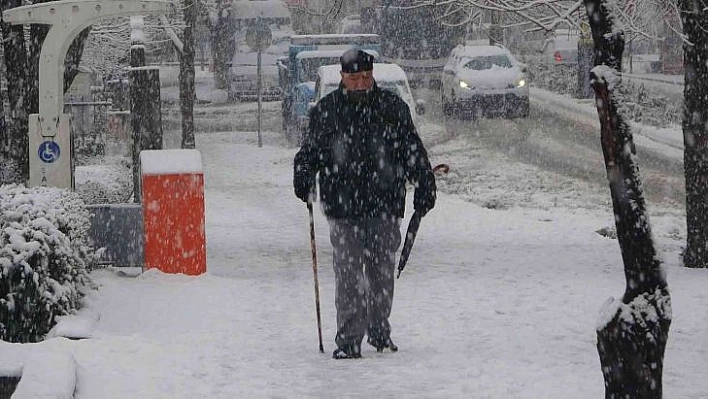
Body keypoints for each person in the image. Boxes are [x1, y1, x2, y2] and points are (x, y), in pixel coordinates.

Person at [293, 48, 437, 359]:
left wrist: (425, 180)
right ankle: (348, 338)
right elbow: (310, 153)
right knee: (348, 273)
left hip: (385, 202)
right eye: (355, 77)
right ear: (342, 77)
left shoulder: (392, 108)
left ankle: (379, 330)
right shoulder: (326, 111)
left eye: (366, 77)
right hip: (342, 206)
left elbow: (412, 149)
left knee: (381, 272)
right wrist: (303, 173)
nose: (361, 83)